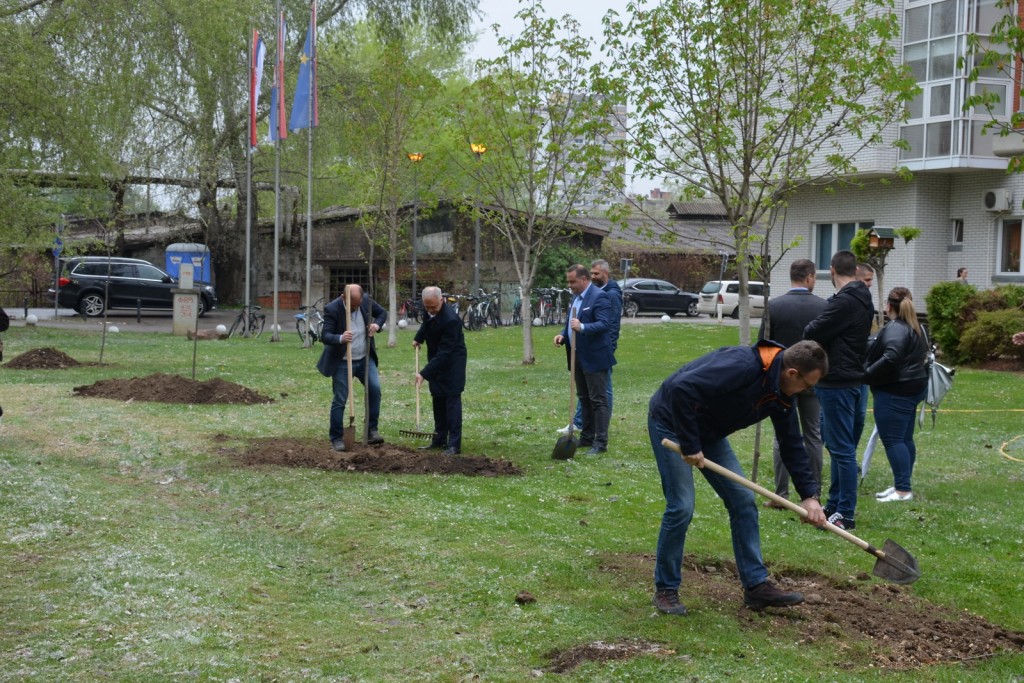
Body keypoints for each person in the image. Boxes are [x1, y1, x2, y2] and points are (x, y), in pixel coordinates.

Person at [647, 339, 829, 615]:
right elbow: (681, 388)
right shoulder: (742, 366)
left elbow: (791, 443)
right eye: (807, 385)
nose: (806, 391)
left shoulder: (780, 393)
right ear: (792, 373)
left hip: (709, 431)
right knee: (681, 505)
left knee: (743, 500)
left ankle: (756, 586)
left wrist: (809, 496)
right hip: (672, 422)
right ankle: (666, 589)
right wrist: (690, 443)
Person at [803, 250, 875, 531]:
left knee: (842, 449)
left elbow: (812, 331)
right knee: (837, 446)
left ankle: (845, 513)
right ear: (856, 270)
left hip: (838, 383)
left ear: (832, 270)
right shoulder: (862, 298)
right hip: (851, 379)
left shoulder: (844, 301)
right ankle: (833, 504)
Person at [757, 259, 826, 507]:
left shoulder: (774, 306)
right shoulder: (823, 306)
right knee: (813, 435)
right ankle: (813, 494)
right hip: (812, 380)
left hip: (783, 379)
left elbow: (764, 347)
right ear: (809, 277)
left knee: (782, 435)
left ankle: (781, 494)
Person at [863, 287, 929, 502]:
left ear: (888, 306)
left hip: (895, 389)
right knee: (904, 438)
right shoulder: (917, 326)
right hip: (913, 386)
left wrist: (867, 374)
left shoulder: (895, 328)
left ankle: (902, 490)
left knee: (893, 439)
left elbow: (892, 357)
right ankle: (902, 484)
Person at [553, 264, 615, 455]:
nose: (570, 285)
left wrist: (583, 327)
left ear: (584, 279)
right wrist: (563, 335)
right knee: (584, 398)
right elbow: (571, 322)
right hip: (576, 355)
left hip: (595, 356)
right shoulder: (575, 297)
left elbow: (604, 324)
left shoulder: (599, 297)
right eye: (568, 282)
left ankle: (600, 443)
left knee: (598, 400)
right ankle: (587, 437)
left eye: (572, 282)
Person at [316, 284, 387, 451]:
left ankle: (371, 430)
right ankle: (336, 438)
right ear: (343, 297)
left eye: (358, 304)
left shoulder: (366, 301)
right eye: (352, 305)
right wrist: (340, 338)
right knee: (340, 399)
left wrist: (376, 325)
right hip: (343, 361)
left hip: (365, 358)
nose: (355, 308)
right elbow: (325, 336)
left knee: (375, 390)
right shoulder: (332, 309)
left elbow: (382, 314)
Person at [413, 286, 467, 456]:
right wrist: (419, 338)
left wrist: (424, 373)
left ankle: (454, 445)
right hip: (436, 358)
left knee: (451, 400)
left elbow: (445, 353)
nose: (430, 310)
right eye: (427, 307)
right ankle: (439, 439)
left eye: (433, 307)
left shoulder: (451, 320)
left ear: (441, 300)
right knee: (437, 397)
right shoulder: (429, 308)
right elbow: (426, 324)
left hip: (452, 362)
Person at [853, 262, 877, 452]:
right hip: (845, 370)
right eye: (867, 279)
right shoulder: (842, 302)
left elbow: (873, 334)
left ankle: (850, 452)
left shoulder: (869, 305)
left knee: (860, 416)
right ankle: (842, 453)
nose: (870, 284)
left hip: (863, 369)